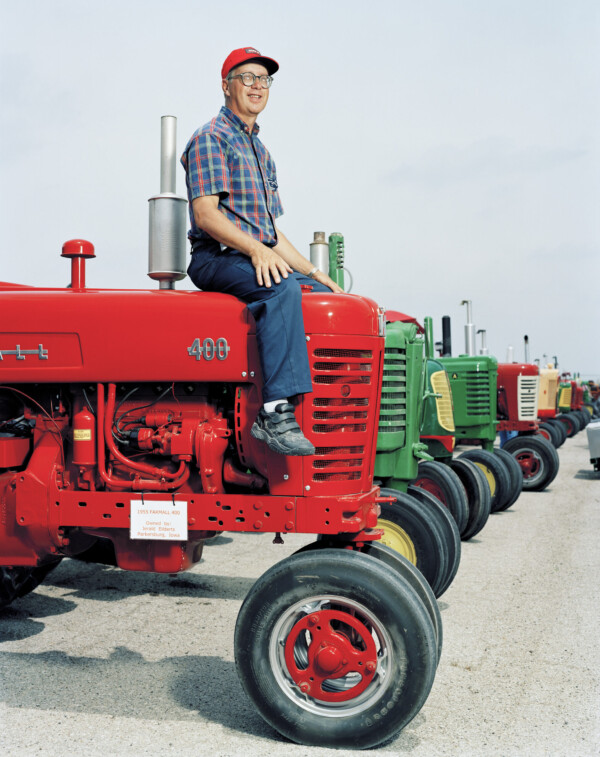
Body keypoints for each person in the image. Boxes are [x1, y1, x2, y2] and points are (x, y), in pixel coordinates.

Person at [181, 47, 343, 457]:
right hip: (216, 258)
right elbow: (205, 215)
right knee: (280, 288)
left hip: (251, 254)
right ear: (226, 86)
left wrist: (315, 272)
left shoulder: (262, 153)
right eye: (247, 77)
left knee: (318, 296)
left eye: (264, 79)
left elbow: (271, 235)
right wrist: (257, 250)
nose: (257, 86)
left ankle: (326, 412)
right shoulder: (210, 139)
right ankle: (273, 412)